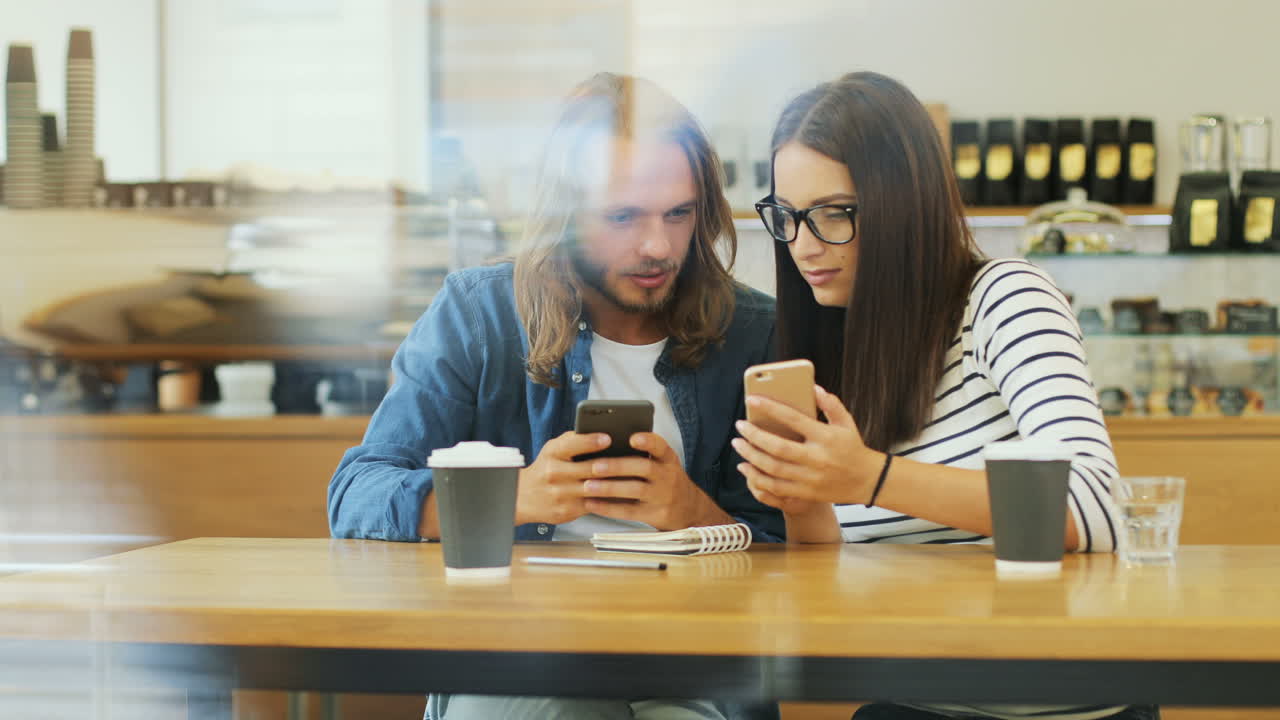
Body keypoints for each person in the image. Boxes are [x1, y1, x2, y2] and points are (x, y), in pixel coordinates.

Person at [328, 72, 782, 720]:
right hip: (515, 649)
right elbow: (355, 494)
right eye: (622, 216)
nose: (657, 246)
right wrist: (508, 500)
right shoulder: (477, 313)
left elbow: (797, 559)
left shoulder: (754, 333)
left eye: (678, 215)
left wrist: (693, 513)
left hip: (689, 659)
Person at [733, 72, 1155, 720]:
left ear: (905, 203)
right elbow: (832, 577)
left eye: (835, 213)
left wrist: (869, 476)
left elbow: (1095, 505)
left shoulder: (1004, 298)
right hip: (917, 702)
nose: (805, 245)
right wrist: (803, 498)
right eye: (787, 218)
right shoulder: (839, 335)